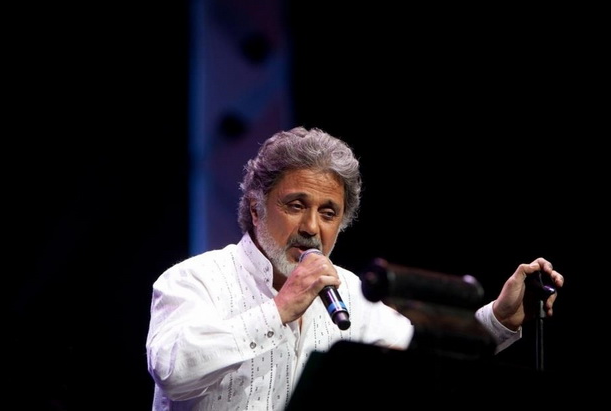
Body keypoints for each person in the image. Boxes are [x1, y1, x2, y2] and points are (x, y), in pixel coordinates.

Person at [146, 126, 564, 410]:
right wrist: (279, 309)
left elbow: (426, 360)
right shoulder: (194, 279)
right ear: (256, 208)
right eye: (296, 205)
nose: (311, 227)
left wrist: (499, 319)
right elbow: (174, 370)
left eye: (328, 213)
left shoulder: (348, 292)